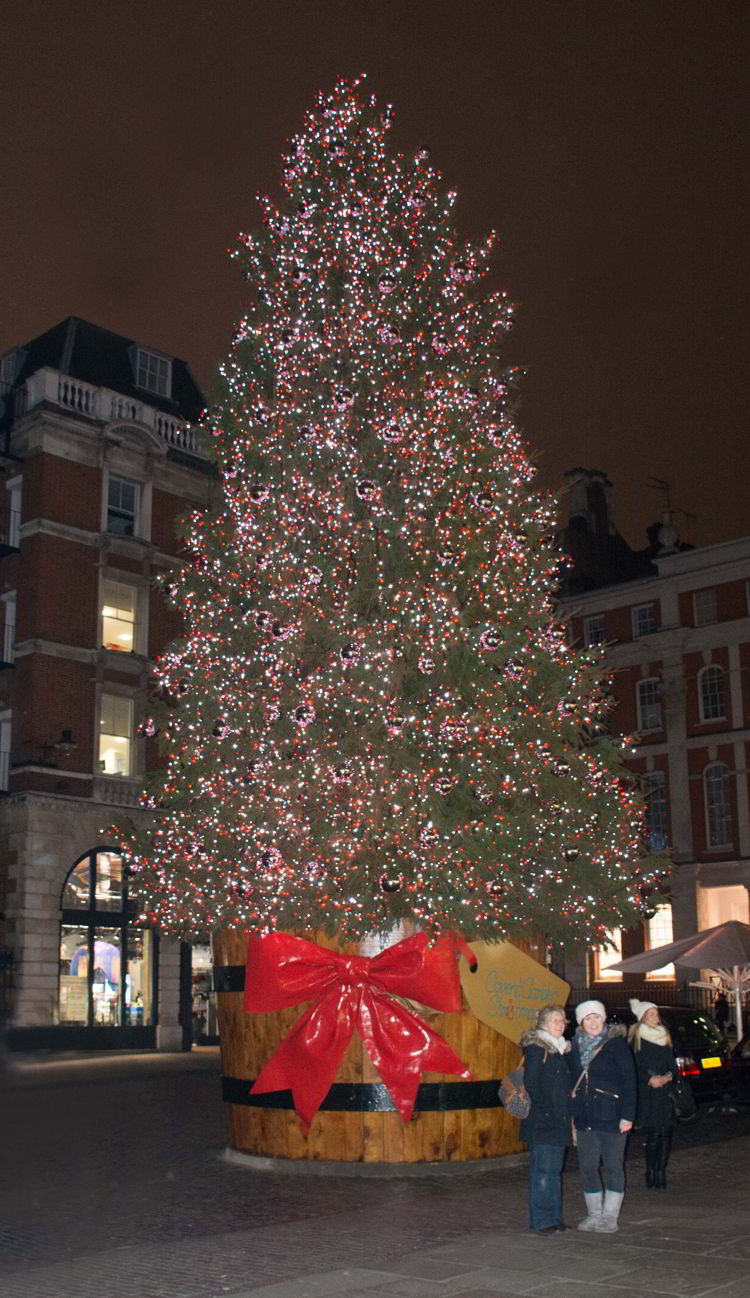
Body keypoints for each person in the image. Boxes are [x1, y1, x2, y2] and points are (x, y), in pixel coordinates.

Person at [569, 999, 637, 1234]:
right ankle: (594, 1214)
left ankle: (609, 1217)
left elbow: (630, 1081)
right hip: (585, 1116)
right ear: (581, 1023)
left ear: (604, 1018)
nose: (593, 1022)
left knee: (613, 1166)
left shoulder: (616, 1045)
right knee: (587, 1166)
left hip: (612, 1115)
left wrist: (628, 1115)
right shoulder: (574, 1047)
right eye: (588, 1018)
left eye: (596, 1016)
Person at [520, 1004, 572, 1234]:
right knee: (542, 1170)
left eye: (562, 1021)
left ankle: (555, 1217)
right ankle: (542, 1220)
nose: (559, 1025)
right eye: (554, 1021)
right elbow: (532, 1083)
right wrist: (548, 1109)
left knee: (554, 1170)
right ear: (543, 1024)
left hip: (559, 1119)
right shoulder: (536, 1048)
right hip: (543, 1120)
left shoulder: (561, 1049)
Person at [628, 998, 674, 1190]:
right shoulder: (638, 1038)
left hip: (665, 1091)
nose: (656, 1018)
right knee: (654, 1133)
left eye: (657, 1014)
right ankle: (651, 1171)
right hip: (649, 1092)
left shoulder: (665, 1036)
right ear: (643, 1018)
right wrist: (649, 1079)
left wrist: (670, 1075)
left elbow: (672, 1062)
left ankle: (661, 1171)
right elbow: (633, 1066)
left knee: (666, 1133)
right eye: (652, 1014)